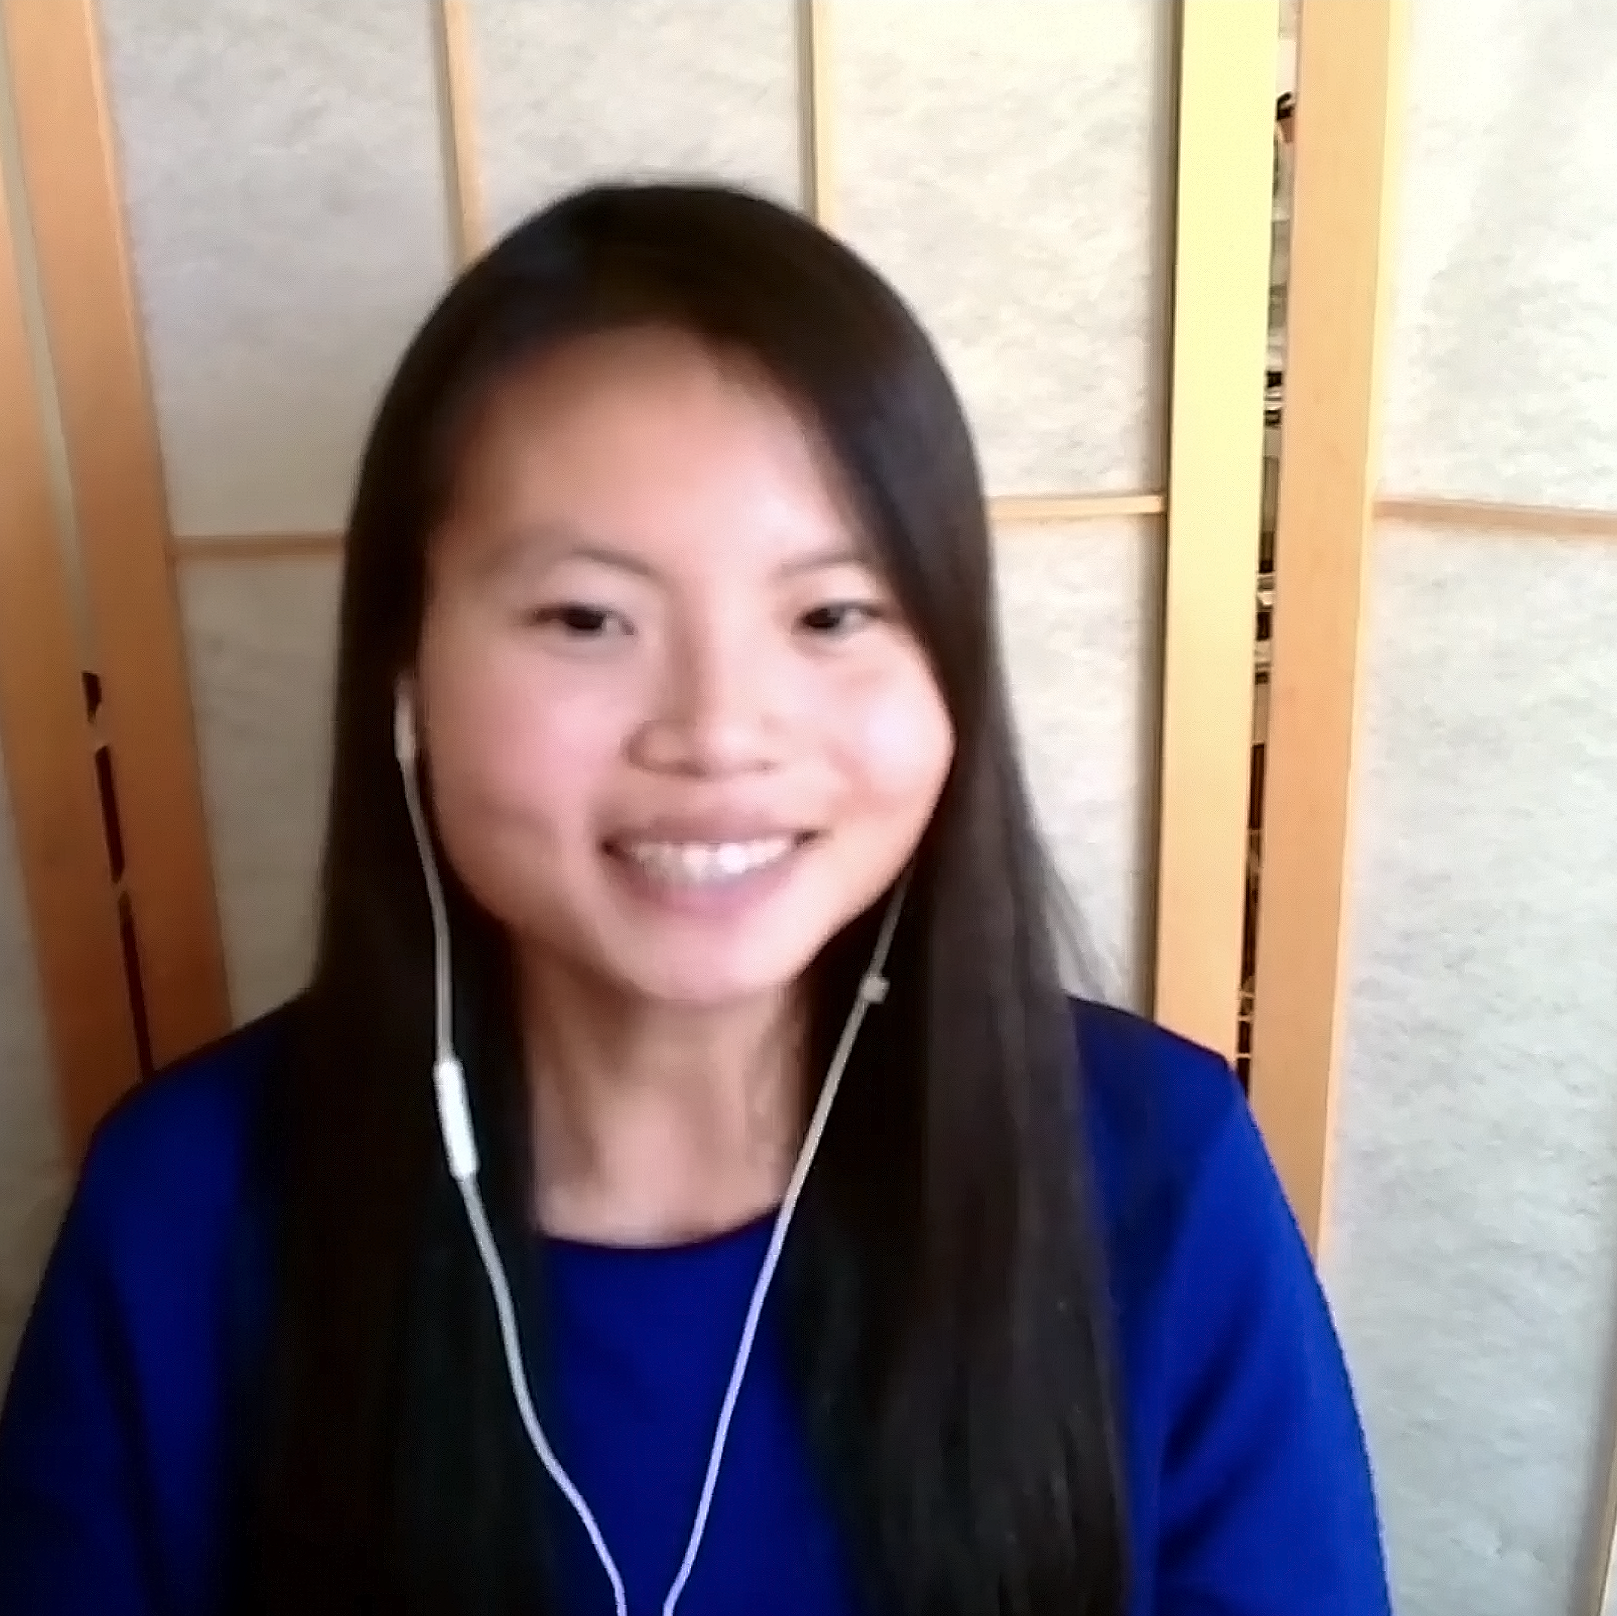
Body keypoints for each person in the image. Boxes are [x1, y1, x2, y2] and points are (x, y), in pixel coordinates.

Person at [0, 182, 1391, 1615]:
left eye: (831, 615)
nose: (719, 733)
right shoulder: (183, 1209)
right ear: (406, 674)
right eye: (587, 618)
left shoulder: (1159, 1174)